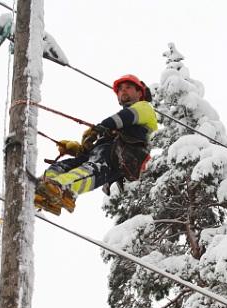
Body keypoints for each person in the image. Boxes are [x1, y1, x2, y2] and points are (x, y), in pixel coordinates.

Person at [34, 74, 158, 215]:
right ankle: (44, 189)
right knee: (62, 166)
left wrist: (96, 130)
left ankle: (61, 188)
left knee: (91, 169)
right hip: (106, 152)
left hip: (121, 156)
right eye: (120, 89)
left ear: (139, 92)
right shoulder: (116, 125)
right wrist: (74, 148)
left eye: (128, 87)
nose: (123, 91)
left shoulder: (144, 108)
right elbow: (95, 147)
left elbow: (123, 118)